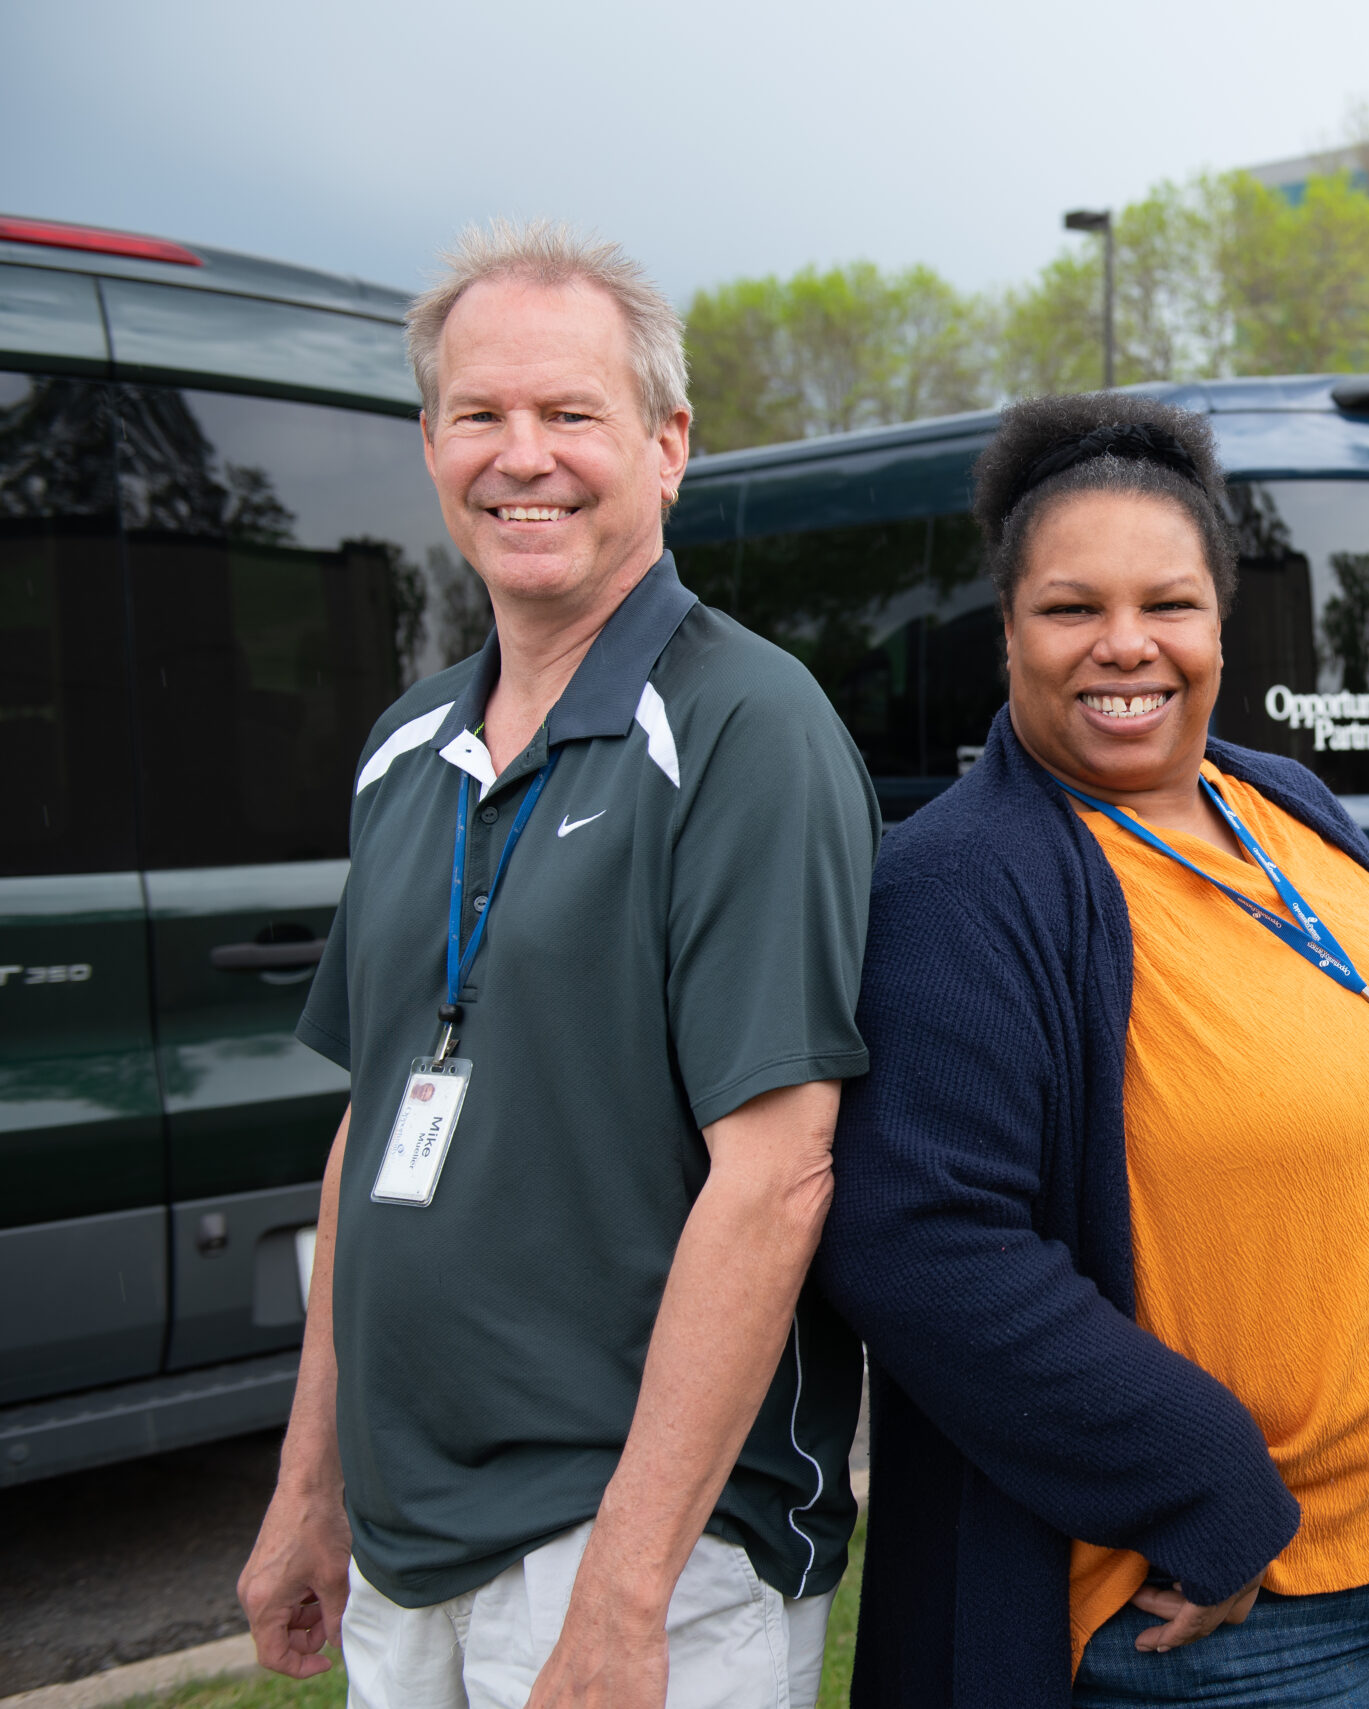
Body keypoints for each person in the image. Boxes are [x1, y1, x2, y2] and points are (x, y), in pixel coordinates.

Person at [234, 220, 879, 1709]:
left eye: (571, 414)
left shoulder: (743, 728)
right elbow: (373, 1120)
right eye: (482, 415)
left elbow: (779, 1174)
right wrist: (309, 1485)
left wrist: (625, 1591)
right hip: (412, 1550)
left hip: (640, 1553)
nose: (522, 455)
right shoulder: (409, 746)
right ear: (433, 444)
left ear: (666, 444)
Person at [818, 393, 1369, 1708]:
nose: (1127, 645)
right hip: (1223, 1609)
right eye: (1072, 606)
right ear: (1009, 632)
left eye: (1171, 603)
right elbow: (919, 1241)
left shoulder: (1281, 803)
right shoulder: (960, 885)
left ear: (1222, 619)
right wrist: (1210, 1491)